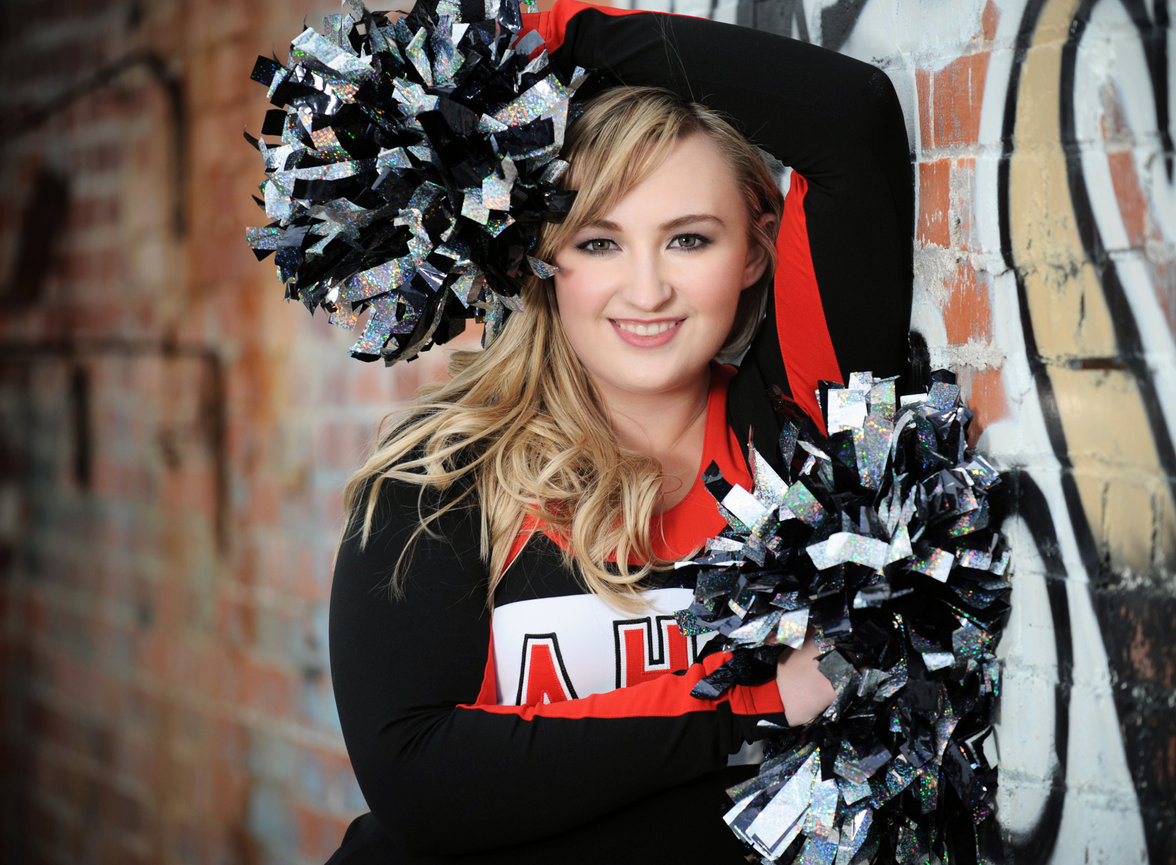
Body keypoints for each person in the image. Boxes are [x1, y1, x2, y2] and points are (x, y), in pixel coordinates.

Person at [325, 1, 912, 861]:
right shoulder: (442, 473)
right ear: (546, 256)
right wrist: (741, 701)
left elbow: (851, 121)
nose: (646, 291)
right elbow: (416, 776)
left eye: (688, 239)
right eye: (599, 243)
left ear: (754, 251)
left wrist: (565, 28)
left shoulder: (792, 430)